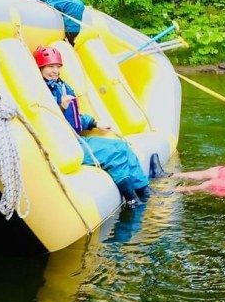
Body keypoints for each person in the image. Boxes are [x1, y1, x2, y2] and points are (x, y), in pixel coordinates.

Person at [34, 45, 157, 206]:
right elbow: (46, 121)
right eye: (50, 67)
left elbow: (75, 118)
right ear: (40, 67)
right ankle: (131, 200)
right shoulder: (42, 91)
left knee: (122, 146)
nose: (55, 71)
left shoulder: (61, 86)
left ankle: (144, 190)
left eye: (57, 67)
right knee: (113, 154)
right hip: (65, 146)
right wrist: (61, 107)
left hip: (76, 139)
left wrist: (95, 123)